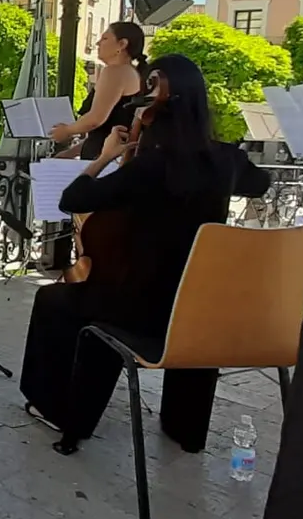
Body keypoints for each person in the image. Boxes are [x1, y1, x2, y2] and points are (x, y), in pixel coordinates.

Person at [19, 54, 272, 456]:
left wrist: (106, 156)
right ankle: (184, 429)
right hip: (196, 306)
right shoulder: (226, 160)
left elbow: (73, 198)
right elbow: (261, 183)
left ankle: (61, 411)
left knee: (54, 299)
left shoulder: (150, 167)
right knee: (94, 297)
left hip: (136, 310)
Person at [49, 23, 149, 159]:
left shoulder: (115, 72)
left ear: (122, 44)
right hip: (110, 155)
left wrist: (67, 130)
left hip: (104, 160)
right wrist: (71, 153)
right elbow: (105, 130)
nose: (98, 43)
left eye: (105, 38)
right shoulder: (131, 72)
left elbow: (96, 119)